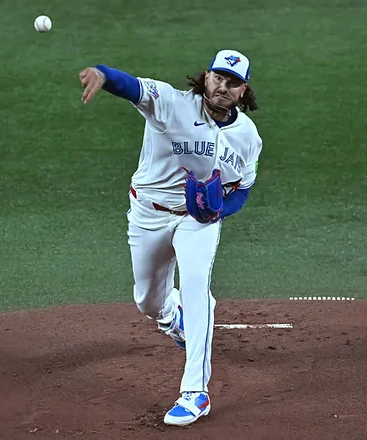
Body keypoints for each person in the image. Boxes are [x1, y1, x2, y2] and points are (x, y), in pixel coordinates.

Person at [79, 49, 263, 427]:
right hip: (148, 214)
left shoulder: (247, 136)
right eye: (218, 78)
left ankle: (195, 392)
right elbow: (133, 87)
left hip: (197, 223)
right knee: (148, 301)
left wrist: (217, 211)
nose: (223, 87)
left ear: (243, 90)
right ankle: (171, 319)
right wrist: (103, 74)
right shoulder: (171, 104)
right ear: (206, 77)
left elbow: (242, 188)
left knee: (197, 290)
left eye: (232, 83)